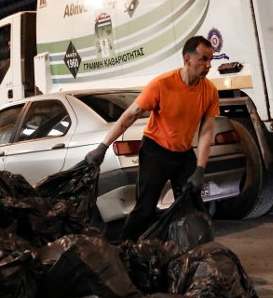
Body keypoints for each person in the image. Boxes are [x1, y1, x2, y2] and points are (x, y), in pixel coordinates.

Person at [85, 35, 219, 241]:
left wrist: (200, 168)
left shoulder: (209, 90)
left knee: (193, 203)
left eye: (211, 59)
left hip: (183, 155)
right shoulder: (162, 84)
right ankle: (125, 248)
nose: (208, 65)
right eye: (203, 59)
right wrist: (103, 147)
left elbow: (206, 130)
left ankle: (197, 253)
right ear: (187, 59)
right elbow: (130, 115)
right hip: (155, 152)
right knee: (145, 208)